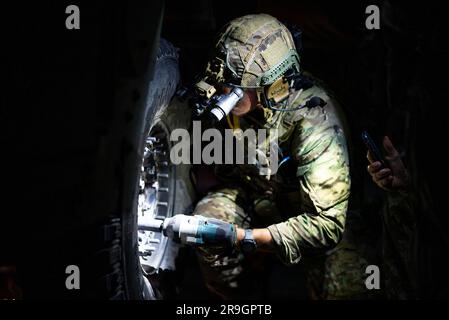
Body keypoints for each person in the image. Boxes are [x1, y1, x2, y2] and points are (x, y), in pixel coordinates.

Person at [190, 14, 351, 299]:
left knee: (345, 283)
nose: (222, 92)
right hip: (256, 194)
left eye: (235, 89)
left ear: (273, 86)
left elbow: (328, 225)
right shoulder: (234, 100)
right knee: (206, 227)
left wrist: (247, 239)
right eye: (220, 80)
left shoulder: (314, 117)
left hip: (307, 215)